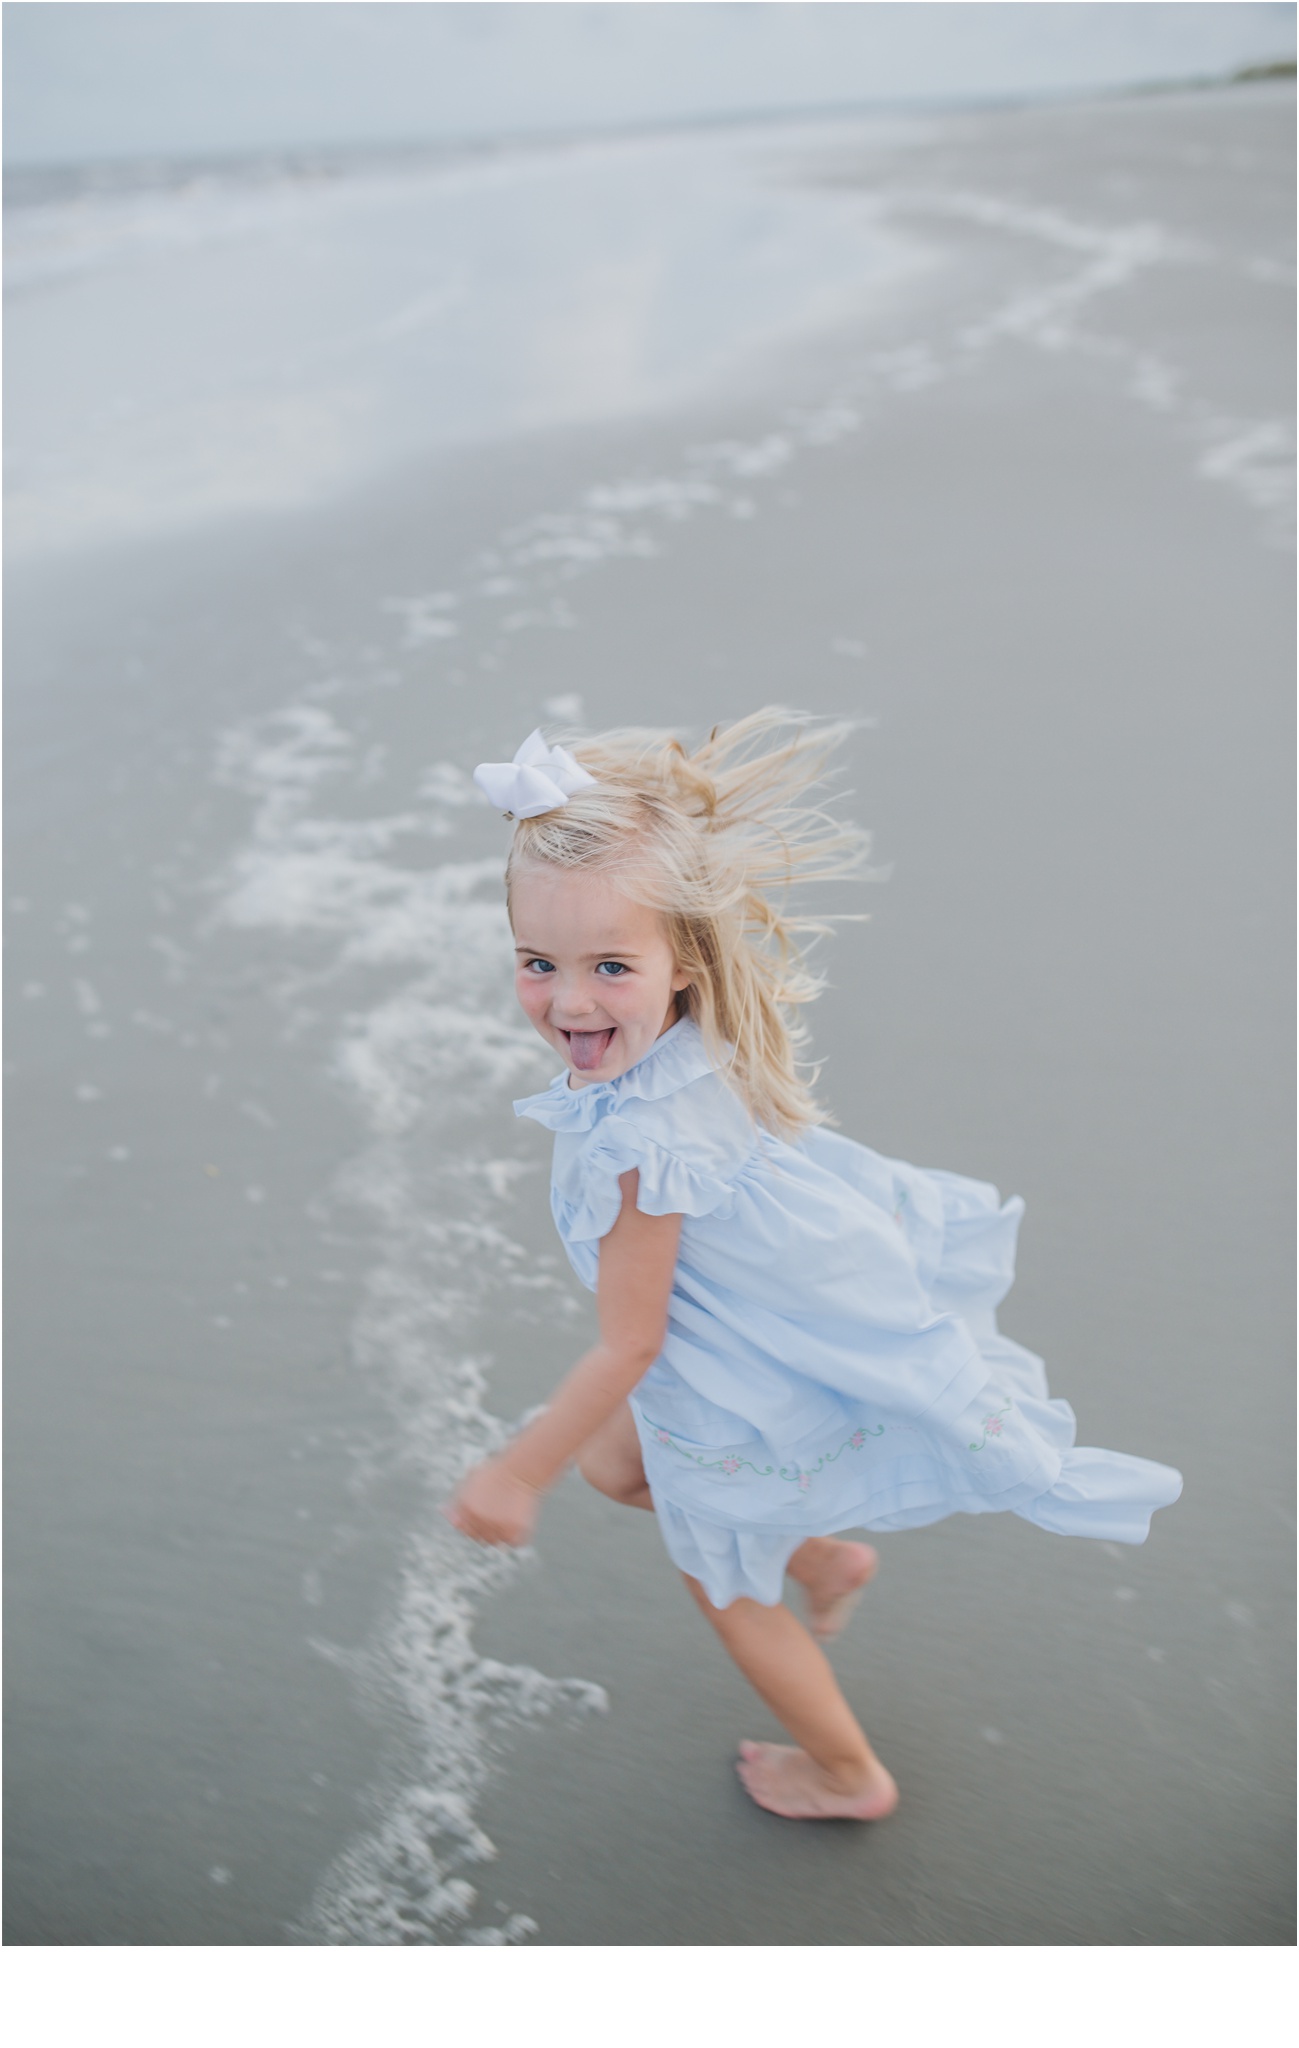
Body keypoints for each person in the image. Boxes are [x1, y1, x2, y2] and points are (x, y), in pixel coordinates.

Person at [448, 711, 1182, 1820]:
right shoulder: (691, 1038)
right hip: (757, 1324)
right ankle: (826, 1557)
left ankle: (846, 1770)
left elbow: (629, 1339)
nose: (568, 1000)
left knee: (723, 1583)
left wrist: (513, 1471)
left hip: (730, 1365)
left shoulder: (639, 1142)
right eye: (537, 962)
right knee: (621, 1468)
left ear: (680, 961)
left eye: (609, 965)